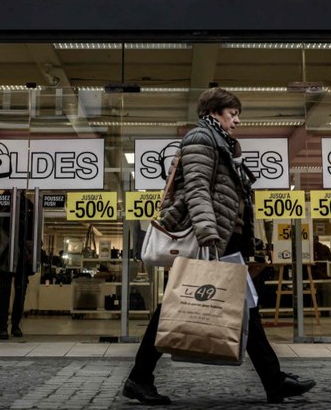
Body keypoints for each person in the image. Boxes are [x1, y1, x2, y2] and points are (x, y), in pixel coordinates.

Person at [123, 88, 316, 405]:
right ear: (213, 112)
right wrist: (207, 232)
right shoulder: (201, 139)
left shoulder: (222, 144)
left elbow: (231, 197)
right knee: (176, 306)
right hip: (213, 239)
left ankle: (274, 380)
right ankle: (139, 378)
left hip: (226, 238)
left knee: (244, 310)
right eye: (232, 113)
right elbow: (197, 188)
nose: (237, 120)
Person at [0, 193, 36, 340]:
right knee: (17, 289)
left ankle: (5, 327)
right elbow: (33, 227)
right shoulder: (27, 203)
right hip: (16, 250)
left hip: (7, 249)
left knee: (7, 289)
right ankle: (13, 325)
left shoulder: (2, 201)